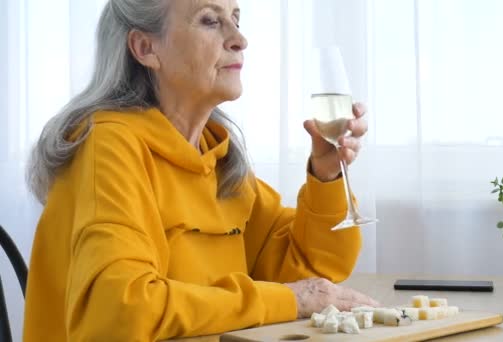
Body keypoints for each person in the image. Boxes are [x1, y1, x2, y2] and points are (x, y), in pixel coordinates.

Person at [23, 0, 379, 341]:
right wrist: (288, 301)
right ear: (146, 47)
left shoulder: (216, 154)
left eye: (236, 19)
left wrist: (326, 174)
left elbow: (307, 271)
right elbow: (119, 311)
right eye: (210, 20)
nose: (240, 39)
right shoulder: (107, 146)